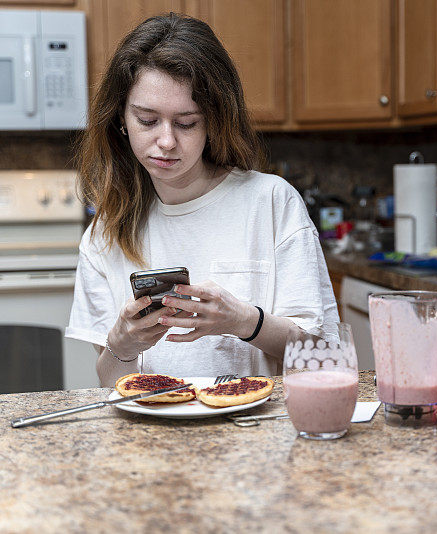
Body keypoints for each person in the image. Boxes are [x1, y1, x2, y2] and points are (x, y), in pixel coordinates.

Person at [65, 13, 339, 386]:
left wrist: (245, 321)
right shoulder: (105, 233)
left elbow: (322, 356)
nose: (166, 141)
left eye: (187, 123)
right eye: (147, 120)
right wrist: (121, 344)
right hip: (149, 436)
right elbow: (111, 381)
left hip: (252, 435)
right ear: (121, 120)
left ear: (214, 121)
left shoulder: (272, 202)